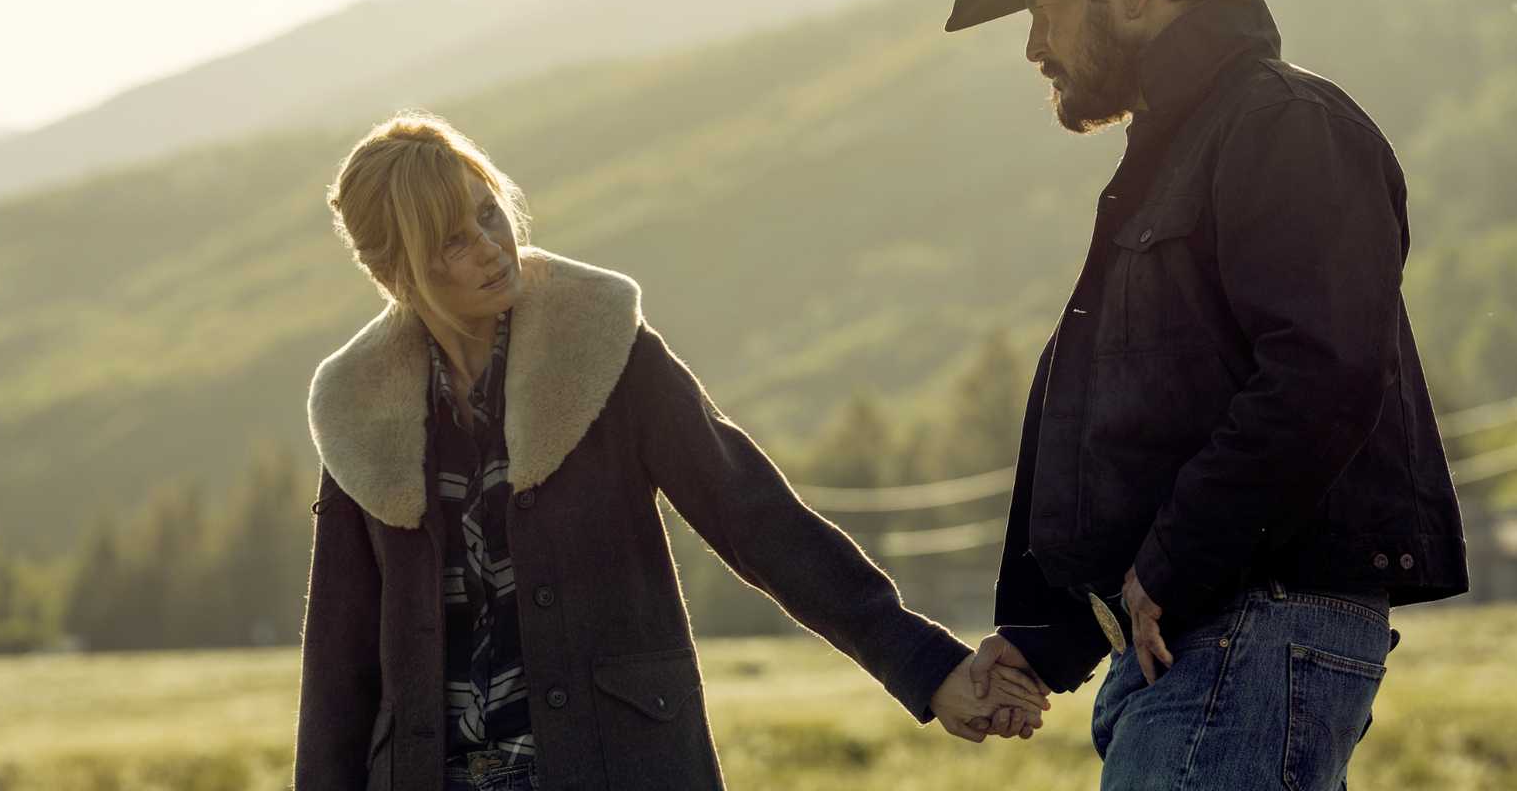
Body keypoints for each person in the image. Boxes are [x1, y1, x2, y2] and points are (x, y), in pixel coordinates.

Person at [292, 114, 1048, 790]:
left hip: (621, 764)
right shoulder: (358, 410)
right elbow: (338, 667)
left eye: (489, 212)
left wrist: (927, 665)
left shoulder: (603, 346)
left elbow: (757, 519)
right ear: (397, 271)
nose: (492, 246)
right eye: (455, 240)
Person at [945, 0, 1469, 788]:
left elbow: (1323, 373)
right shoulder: (1184, 152)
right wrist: (1049, 639)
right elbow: (1154, 433)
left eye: (1047, 7)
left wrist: (1175, 567)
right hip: (1209, 644)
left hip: (1249, 637)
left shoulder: (1283, 126)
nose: (1035, 43)